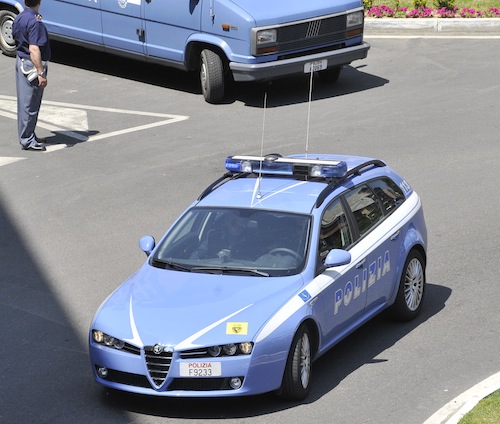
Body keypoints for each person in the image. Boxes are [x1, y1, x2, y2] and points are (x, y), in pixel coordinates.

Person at [12, 0, 51, 151]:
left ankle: (28, 135)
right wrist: (40, 72)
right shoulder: (36, 22)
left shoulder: (20, 17)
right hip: (32, 65)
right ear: (39, 2)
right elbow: (34, 49)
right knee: (31, 104)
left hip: (21, 60)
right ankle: (27, 140)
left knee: (24, 102)